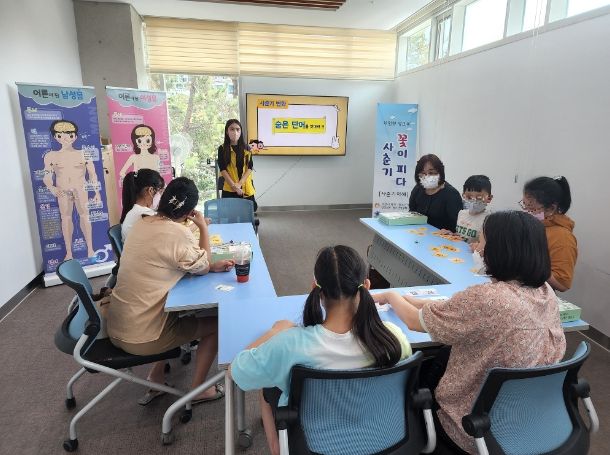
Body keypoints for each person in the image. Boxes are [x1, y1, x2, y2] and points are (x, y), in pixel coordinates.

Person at [374, 211, 566, 454]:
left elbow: (415, 322)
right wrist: (411, 300)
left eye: (482, 241)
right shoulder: (545, 292)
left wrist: (392, 295)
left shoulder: (489, 299)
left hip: (470, 426)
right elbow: (458, 309)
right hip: (523, 417)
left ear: (500, 249)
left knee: (418, 367)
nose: (476, 247)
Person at [230, 245, 412, 455]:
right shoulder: (393, 337)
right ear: (367, 286)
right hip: (378, 438)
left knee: (268, 385)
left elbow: (236, 371)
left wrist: (275, 332)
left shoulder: (291, 345)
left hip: (314, 445)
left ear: (315, 288)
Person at [106, 177, 235, 405]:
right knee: (218, 323)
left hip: (117, 325)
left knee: (177, 310)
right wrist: (203, 227)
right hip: (143, 336)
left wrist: (205, 264)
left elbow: (168, 260)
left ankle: (156, 377)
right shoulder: (177, 233)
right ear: (189, 212)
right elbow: (203, 265)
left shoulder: (143, 222)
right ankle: (198, 391)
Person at [43, 120, 101, 260]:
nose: (65, 138)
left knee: (85, 216)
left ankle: (90, 249)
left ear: (75, 136)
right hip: (62, 190)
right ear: (55, 137)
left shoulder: (84, 153)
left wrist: (97, 192)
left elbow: (92, 174)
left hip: (81, 188)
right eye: (60, 135)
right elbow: (47, 176)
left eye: (69, 135)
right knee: (66, 218)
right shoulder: (51, 156)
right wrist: (51, 187)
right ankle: (69, 252)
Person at [521, 176, 577, 292]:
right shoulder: (533, 224)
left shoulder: (563, 237)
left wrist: (528, 264)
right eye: (524, 205)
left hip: (537, 295)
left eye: (531, 208)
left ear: (551, 208)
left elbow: (562, 284)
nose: (526, 212)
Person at [408, 154, 462, 231]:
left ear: (440, 172)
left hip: (441, 236)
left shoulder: (451, 193)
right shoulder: (418, 188)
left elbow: (456, 224)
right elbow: (412, 212)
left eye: (431, 173)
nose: (427, 176)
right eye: (423, 173)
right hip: (418, 232)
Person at [217, 119, 257, 211]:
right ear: (227, 131)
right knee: (230, 214)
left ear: (241, 131)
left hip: (245, 187)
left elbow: (250, 167)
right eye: (232, 129)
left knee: (248, 213)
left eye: (238, 129)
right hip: (229, 188)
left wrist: (239, 184)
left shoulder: (247, 148)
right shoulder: (222, 148)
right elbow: (222, 169)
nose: (235, 132)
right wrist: (234, 186)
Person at [120, 169, 165, 242]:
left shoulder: (133, 212)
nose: (161, 196)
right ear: (151, 190)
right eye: (160, 192)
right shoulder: (147, 215)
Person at [451, 175, 493, 246]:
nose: (474, 201)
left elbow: (486, 244)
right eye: (469, 197)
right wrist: (451, 234)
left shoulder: (489, 219)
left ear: (489, 198)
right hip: (457, 250)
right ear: (463, 195)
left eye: (479, 197)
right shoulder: (461, 213)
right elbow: (461, 235)